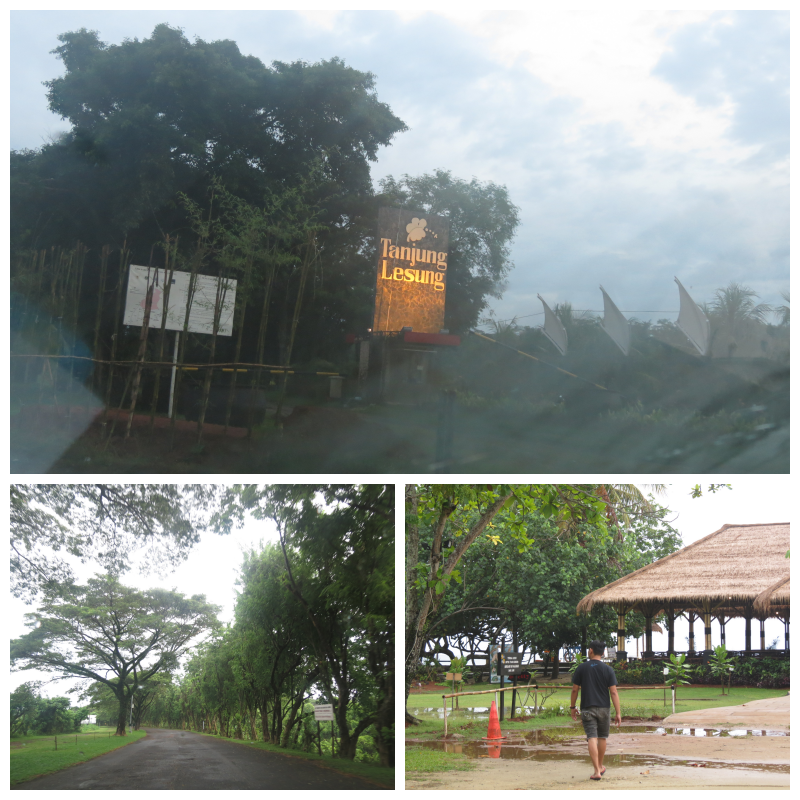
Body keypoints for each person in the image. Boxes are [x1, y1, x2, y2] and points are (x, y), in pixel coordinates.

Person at [569, 640, 622, 781]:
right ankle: (600, 765)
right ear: (603, 652)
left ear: (590, 650)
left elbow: (575, 689)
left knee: (591, 737)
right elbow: (614, 692)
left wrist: (572, 707)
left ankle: (596, 771)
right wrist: (618, 713)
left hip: (587, 708)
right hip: (604, 708)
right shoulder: (608, 669)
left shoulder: (581, 668)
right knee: (602, 737)